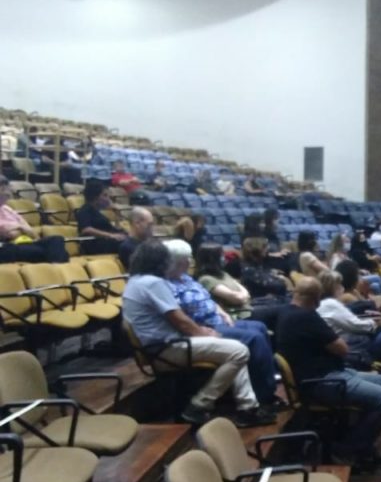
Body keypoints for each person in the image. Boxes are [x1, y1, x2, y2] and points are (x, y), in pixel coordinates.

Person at [123, 239, 263, 427]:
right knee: (239, 351)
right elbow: (179, 319)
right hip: (167, 348)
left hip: (159, 345)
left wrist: (202, 332)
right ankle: (199, 404)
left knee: (235, 349)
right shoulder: (153, 283)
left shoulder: (134, 280)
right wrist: (204, 333)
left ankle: (248, 408)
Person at [276, 277, 381, 472]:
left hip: (318, 377)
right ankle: (348, 449)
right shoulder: (307, 317)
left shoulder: (285, 313)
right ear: (316, 299)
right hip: (323, 382)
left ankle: (361, 442)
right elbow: (342, 348)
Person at [164, 239, 277, 415]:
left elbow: (207, 299)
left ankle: (266, 382)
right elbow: (179, 315)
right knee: (254, 338)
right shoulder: (166, 284)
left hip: (217, 319)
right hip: (204, 328)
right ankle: (264, 394)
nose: (190, 262)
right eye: (187, 259)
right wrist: (202, 330)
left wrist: (222, 313)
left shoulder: (185, 278)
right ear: (178, 261)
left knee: (259, 327)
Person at [317, 270, 381, 397]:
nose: (342, 287)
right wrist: (375, 323)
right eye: (339, 284)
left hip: (354, 345)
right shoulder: (330, 304)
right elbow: (357, 326)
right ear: (332, 287)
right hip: (355, 351)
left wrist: (369, 320)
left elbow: (350, 321)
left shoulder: (324, 304)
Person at [0, 175, 68, 263]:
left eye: (7, 188)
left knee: (57, 239)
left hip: (25, 242)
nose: (7, 192)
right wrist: (21, 227)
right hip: (7, 246)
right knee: (54, 253)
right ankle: (57, 266)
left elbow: (30, 230)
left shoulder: (7, 209)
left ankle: (56, 266)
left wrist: (19, 228)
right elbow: (9, 233)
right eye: (3, 189)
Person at [75, 179, 129, 256]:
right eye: (105, 195)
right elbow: (86, 229)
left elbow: (115, 228)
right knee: (128, 245)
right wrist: (111, 235)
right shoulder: (84, 210)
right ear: (95, 197)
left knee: (133, 240)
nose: (108, 199)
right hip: (95, 244)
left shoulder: (97, 212)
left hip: (106, 241)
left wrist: (116, 214)